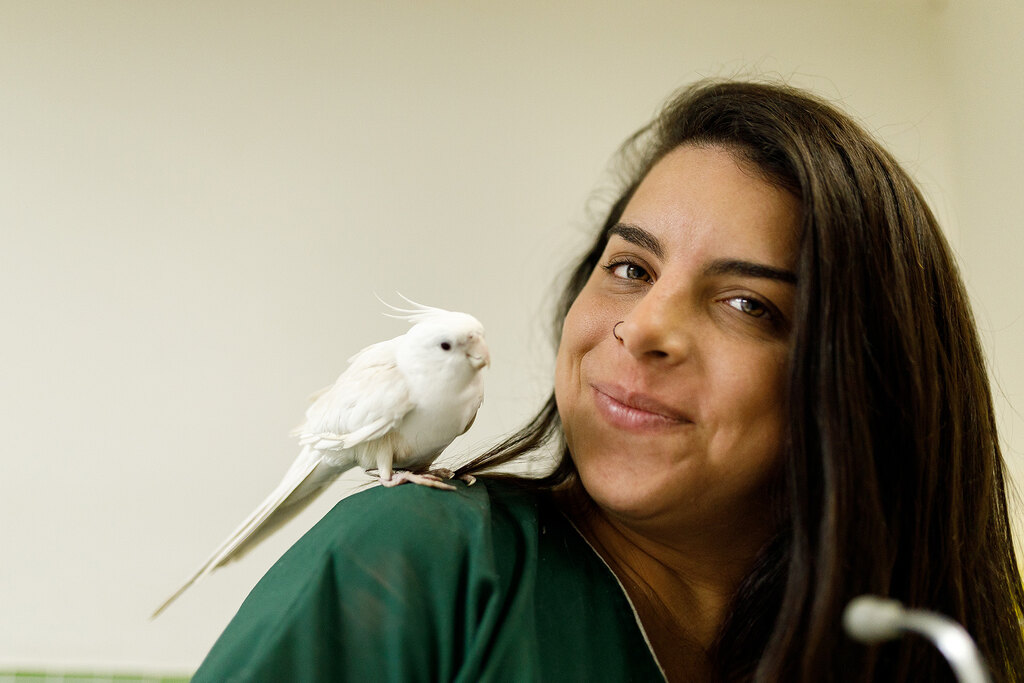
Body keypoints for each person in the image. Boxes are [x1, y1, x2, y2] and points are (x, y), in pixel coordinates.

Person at [192, 80, 1024, 682]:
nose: (644, 327)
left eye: (745, 303)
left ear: (864, 382)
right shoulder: (416, 560)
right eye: (629, 267)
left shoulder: (922, 651)